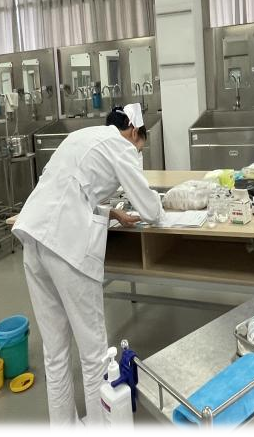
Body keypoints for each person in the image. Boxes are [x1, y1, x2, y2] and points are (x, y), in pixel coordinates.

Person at [12, 103, 164, 434]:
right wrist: (165, 207)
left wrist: (111, 212)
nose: (138, 152)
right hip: (65, 245)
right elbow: (151, 210)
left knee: (55, 353)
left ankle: (65, 429)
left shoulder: (84, 136)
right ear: (134, 132)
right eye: (141, 146)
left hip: (33, 236)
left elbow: (73, 187)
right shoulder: (121, 145)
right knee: (95, 355)